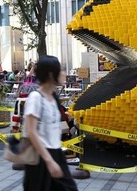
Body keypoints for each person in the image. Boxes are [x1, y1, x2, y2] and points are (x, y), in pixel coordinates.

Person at [23, 55, 78, 191]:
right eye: (61, 70)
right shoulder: (35, 98)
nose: (64, 73)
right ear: (50, 74)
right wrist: (49, 161)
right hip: (40, 158)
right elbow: (31, 132)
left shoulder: (53, 97)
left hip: (56, 154)